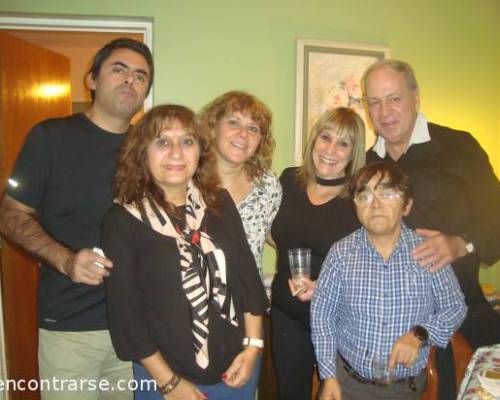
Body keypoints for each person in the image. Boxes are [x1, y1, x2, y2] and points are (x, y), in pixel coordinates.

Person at [0, 38, 154, 399]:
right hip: (69, 329)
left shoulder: (151, 151)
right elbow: (10, 214)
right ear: (92, 79)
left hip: (137, 330)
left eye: (140, 76)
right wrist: (66, 260)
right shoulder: (49, 137)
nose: (130, 81)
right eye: (119, 70)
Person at [102, 104, 268, 400]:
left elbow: (247, 278)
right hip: (164, 380)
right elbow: (126, 315)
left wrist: (253, 347)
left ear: (200, 152)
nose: (177, 153)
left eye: (187, 141)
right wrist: (168, 384)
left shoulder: (219, 203)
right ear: (142, 153)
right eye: (163, 142)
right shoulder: (123, 221)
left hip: (237, 368)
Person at [362, 59, 500, 398]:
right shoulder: (364, 165)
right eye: (375, 102)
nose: (385, 111)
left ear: (415, 97)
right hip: (389, 325)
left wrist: (462, 244)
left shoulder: (460, 147)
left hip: (462, 315)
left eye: (394, 98)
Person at [311, 161, 467, 400]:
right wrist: (328, 376)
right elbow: (322, 316)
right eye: (364, 196)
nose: (375, 204)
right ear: (355, 205)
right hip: (348, 385)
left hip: (405, 389)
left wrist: (419, 335)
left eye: (388, 194)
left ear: (407, 205)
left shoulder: (427, 252)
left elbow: (455, 307)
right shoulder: (341, 254)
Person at [270, 107, 366, 399]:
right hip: (287, 316)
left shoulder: (359, 199)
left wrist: (324, 288)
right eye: (326, 137)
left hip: (339, 321)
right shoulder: (288, 180)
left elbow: (370, 267)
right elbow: (277, 236)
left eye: (343, 143)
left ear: (353, 152)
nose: (330, 150)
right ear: (313, 139)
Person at [199, 90, 282, 279]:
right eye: (234, 122)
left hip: (248, 303)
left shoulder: (268, 186)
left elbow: (279, 236)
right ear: (213, 128)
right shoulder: (186, 180)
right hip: (193, 302)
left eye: (253, 128)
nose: (243, 134)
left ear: (260, 141)